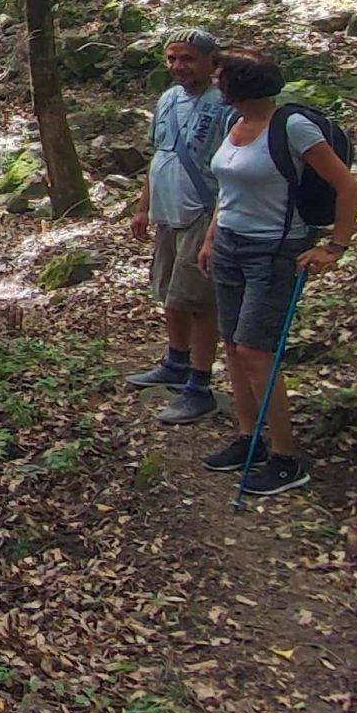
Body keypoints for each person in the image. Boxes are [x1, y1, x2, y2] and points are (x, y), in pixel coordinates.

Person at [195, 48, 357, 497]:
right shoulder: (235, 124)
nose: (215, 81)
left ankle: (286, 458)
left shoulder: (292, 127)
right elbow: (226, 190)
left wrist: (335, 246)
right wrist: (211, 238)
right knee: (231, 345)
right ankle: (249, 441)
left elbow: (347, 186)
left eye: (221, 76)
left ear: (239, 86)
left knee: (255, 350)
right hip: (230, 244)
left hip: (275, 249)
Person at [124, 29, 228, 424]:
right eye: (171, 59)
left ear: (208, 60)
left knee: (199, 300)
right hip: (167, 212)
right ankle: (176, 360)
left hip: (204, 211)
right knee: (170, 291)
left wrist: (217, 227)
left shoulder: (224, 105)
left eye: (186, 59)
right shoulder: (167, 100)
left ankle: (200, 384)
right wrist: (142, 208)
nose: (177, 67)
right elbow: (159, 155)